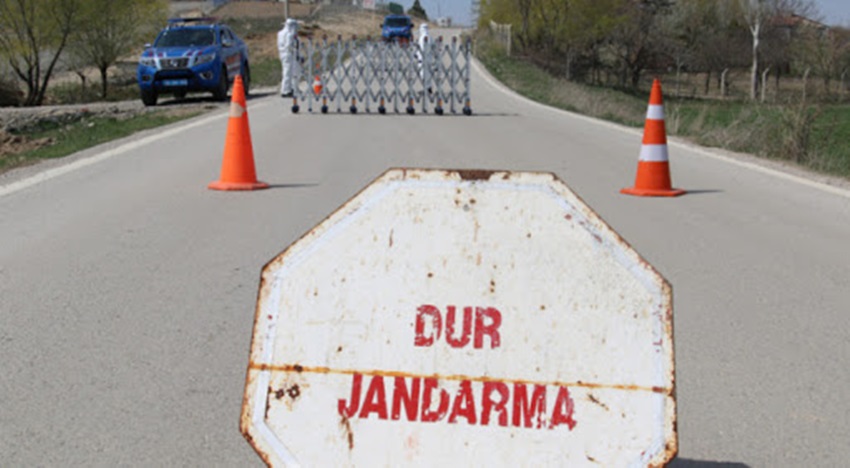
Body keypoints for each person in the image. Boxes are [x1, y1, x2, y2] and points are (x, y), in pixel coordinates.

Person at [277, 18, 300, 98]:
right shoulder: (289, 34)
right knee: (288, 72)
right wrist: (295, 53)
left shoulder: (280, 33)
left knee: (286, 72)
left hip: (282, 54)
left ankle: (288, 88)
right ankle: (286, 90)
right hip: (288, 54)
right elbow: (289, 45)